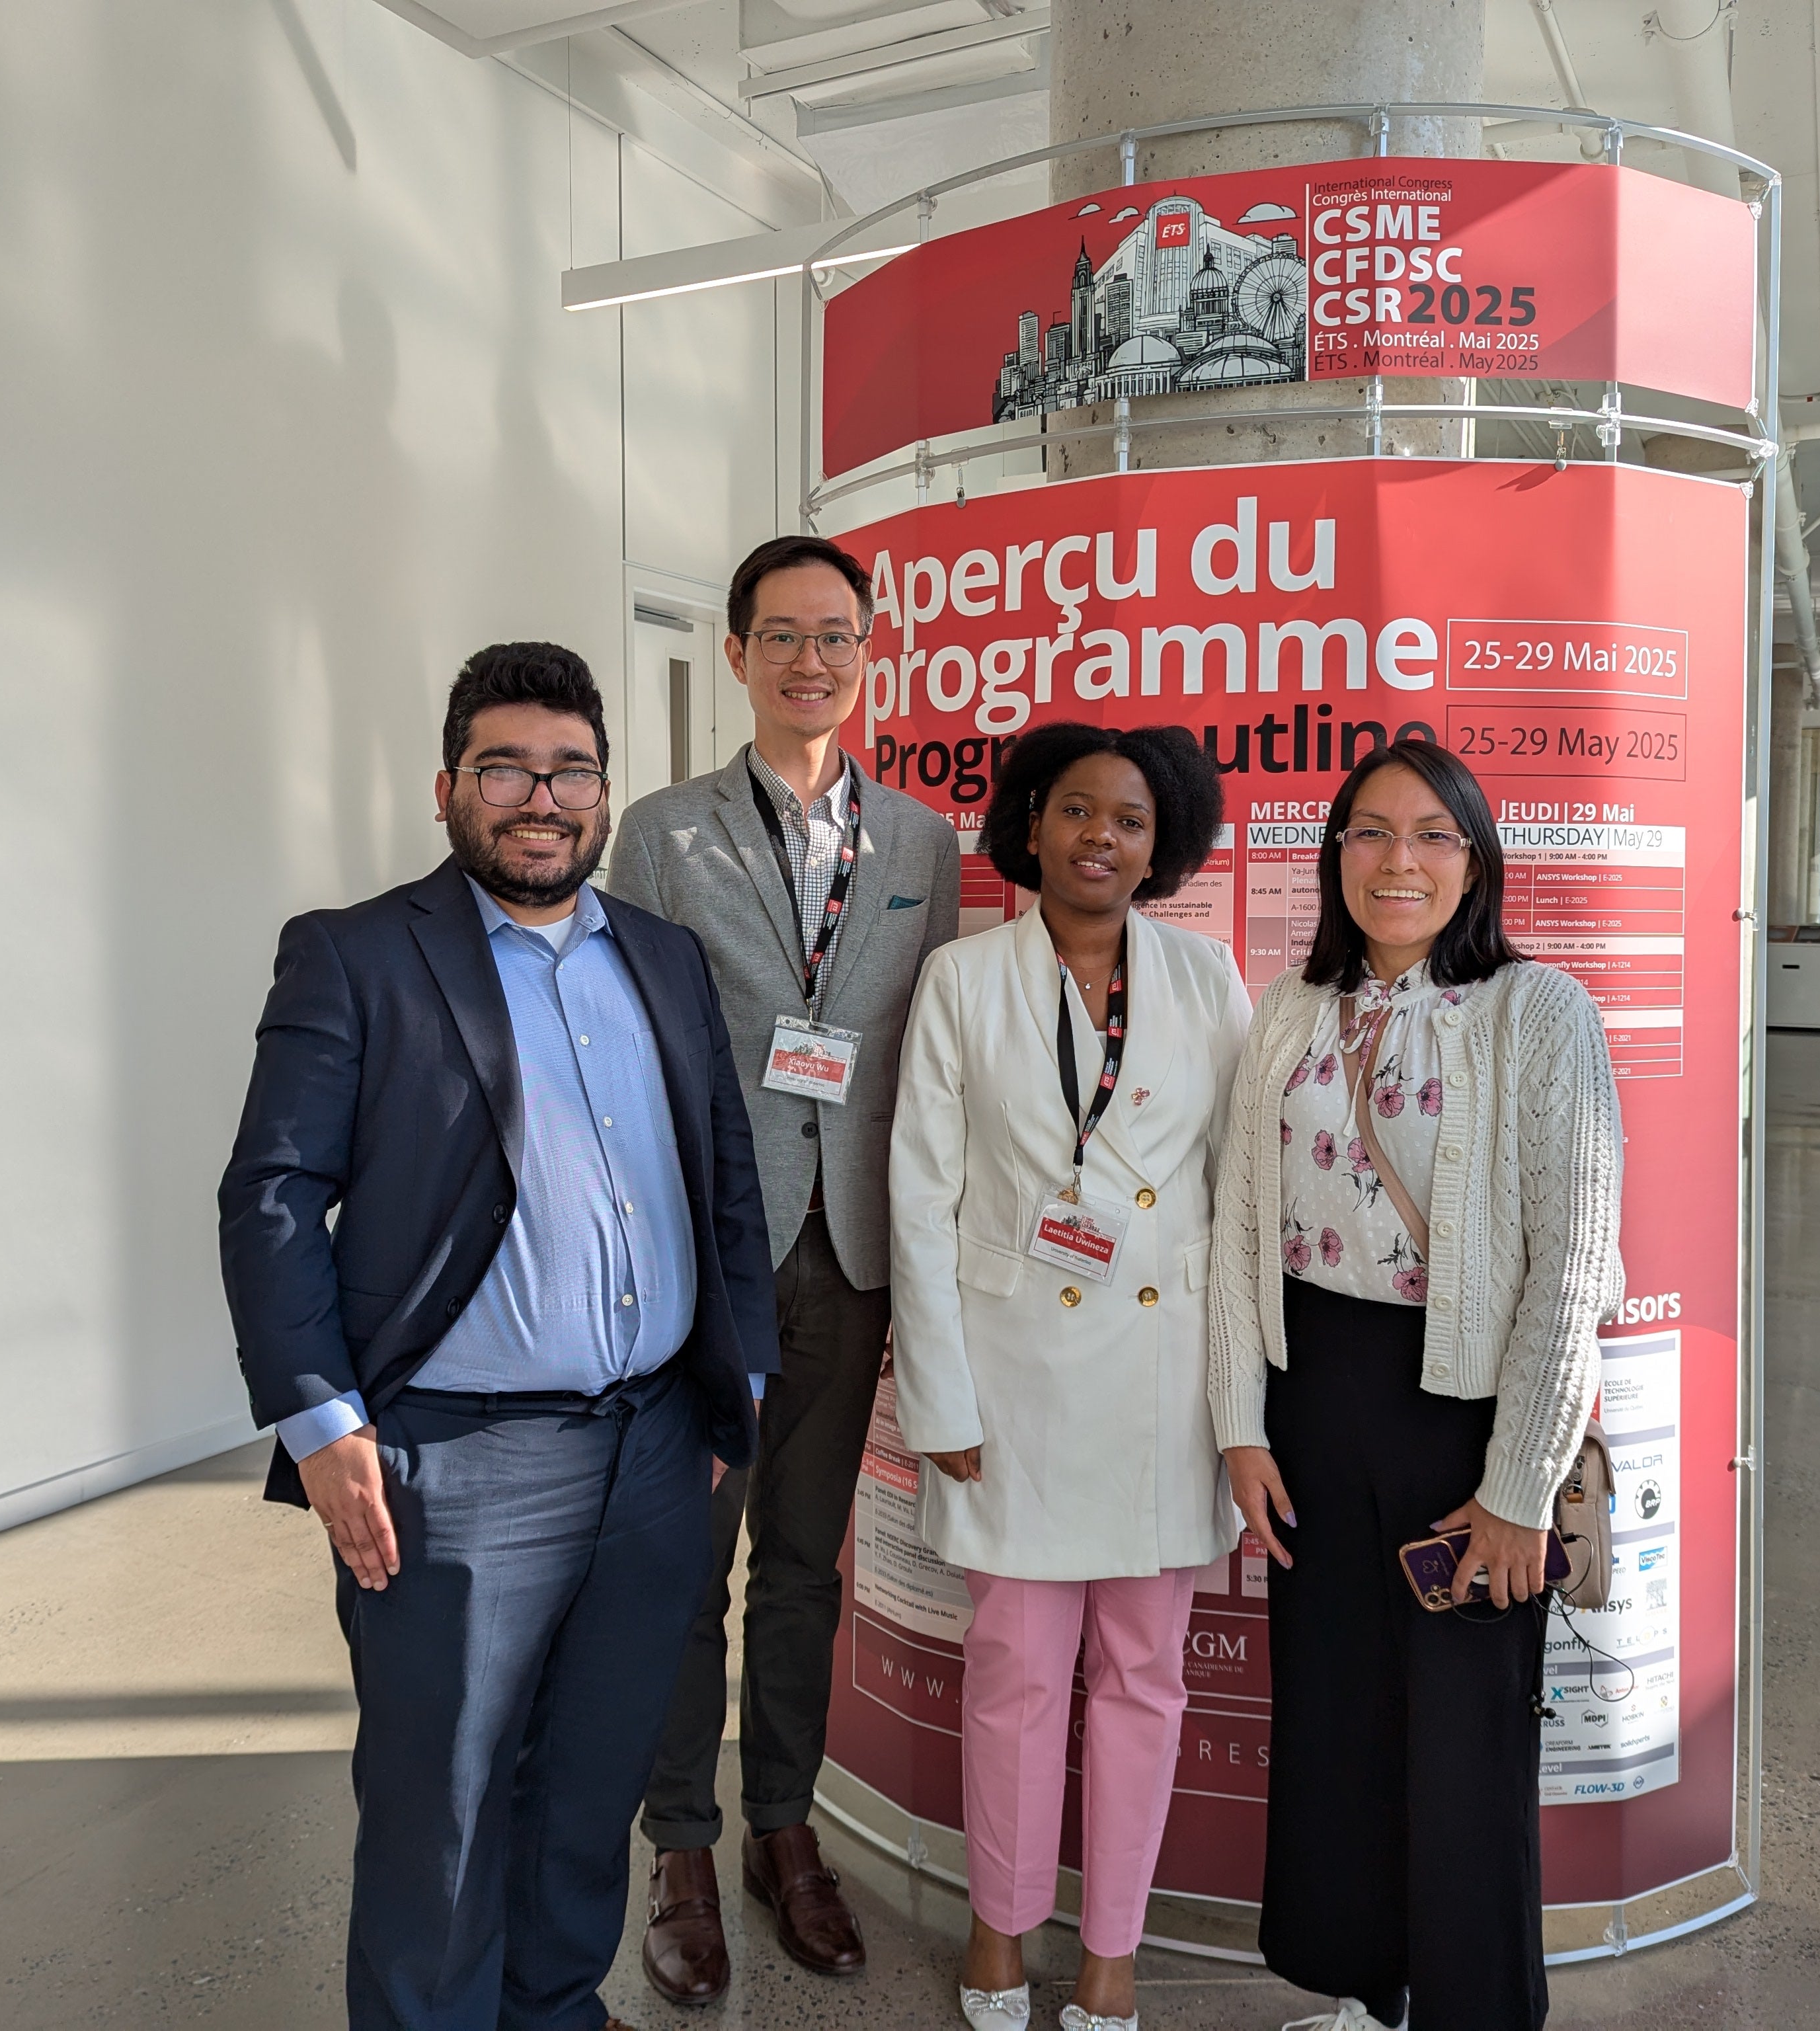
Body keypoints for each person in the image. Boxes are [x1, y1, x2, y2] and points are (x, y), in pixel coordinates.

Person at [216, 643, 780, 2031]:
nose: (542, 795)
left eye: (570, 768)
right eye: (507, 768)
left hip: (650, 1449)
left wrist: (732, 1391)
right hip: (452, 1465)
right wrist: (324, 1418)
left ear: (604, 791)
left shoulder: (663, 957)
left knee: (588, 1796)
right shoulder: (358, 953)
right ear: (448, 789)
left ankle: (552, 2012)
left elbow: (726, 1181)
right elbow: (273, 1192)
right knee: (445, 1814)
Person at [1205, 738, 1624, 2031]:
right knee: (1336, 1731)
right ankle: (1361, 1997)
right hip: (1312, 1407)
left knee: (1465, 1756)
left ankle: (1470, 2011)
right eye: (1371, 833)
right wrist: (1238, 1424)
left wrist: (1518, 1486)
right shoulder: (1287, 1008)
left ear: (1476, 858)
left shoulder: (1536, 1012)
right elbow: (1232, 1230)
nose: (1401, 861)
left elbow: (1575, 1266)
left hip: (1465, 1422)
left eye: (1434, 835)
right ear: (1334, 857)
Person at [609, 534, 963, 1999]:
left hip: (855, 1250)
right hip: (709, 1251)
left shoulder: (924, 846)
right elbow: (623, 1053)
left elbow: (929, 1062)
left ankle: (782, 1830)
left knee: (808, 1564)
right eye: (782, 636)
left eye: (838, 635)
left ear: (869, 656)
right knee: (688, 1565)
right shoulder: (662, 833)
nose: (811, 660)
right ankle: (679, 1846)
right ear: (739, 654)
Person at [887, 722, 1253, 2031]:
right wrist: (938, 1404)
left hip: (1162, 1395)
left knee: (1147, 1682)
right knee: (1016, 1678)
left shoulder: (1211, 980)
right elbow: (918, 1202)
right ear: (1031, 829)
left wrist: (1237, 1410)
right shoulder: (963, 982)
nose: (1104, 836)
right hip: (1012, 1394)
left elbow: (1242, 1204)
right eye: (1078, 811)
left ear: (1165, 848)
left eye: (1133, 820)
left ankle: (1112, 1952)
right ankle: (1002, 1930)